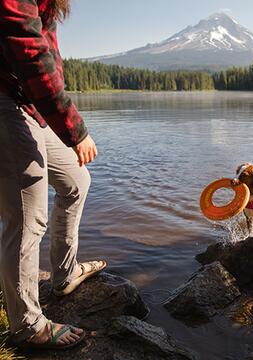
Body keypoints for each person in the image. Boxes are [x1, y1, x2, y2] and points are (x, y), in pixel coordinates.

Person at [0, 0, 106, 349]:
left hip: (28, 100)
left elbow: (46, 53)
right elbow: (30, 52)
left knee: (77, 180)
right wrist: (74, 129)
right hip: (4, 99)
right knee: (28, 214)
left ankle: (64, 274)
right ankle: (28, 327)